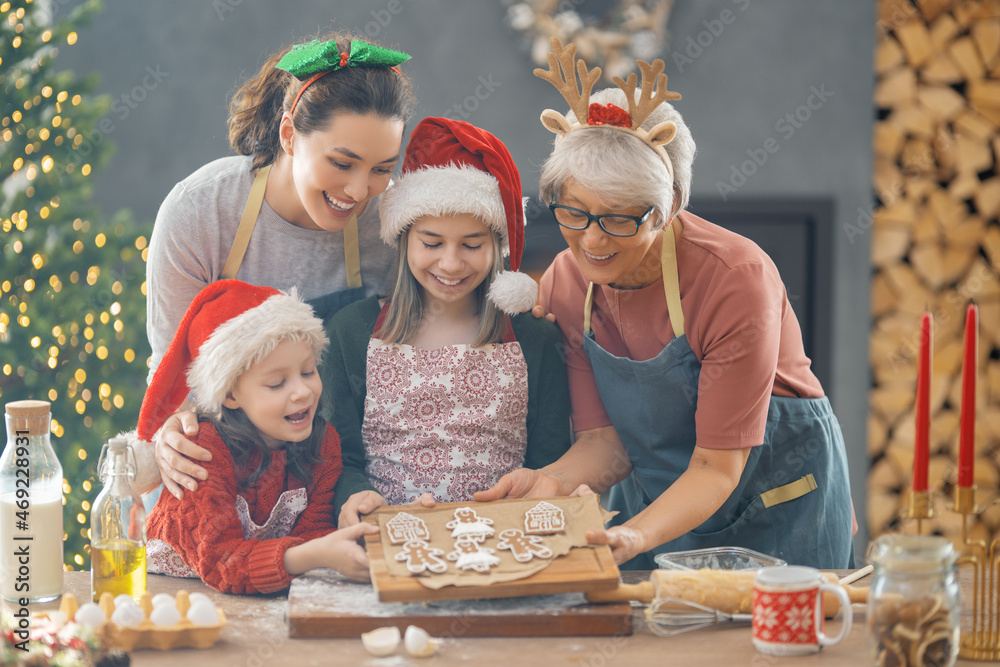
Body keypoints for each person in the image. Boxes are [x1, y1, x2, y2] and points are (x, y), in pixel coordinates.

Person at [477, 39, 855, 569]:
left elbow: (715, 469)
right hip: (657, 505)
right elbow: (607, 444)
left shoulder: (733, 280)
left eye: (619, 218)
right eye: (574, 213)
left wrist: (632, 537)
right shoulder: (565, 282)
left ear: (669, 207)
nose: (592, 241)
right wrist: (549, 482)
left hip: (774, 503)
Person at [144, 34, 417, 499]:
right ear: (289, 135)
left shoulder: (387, 220)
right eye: (342, 163)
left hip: (334, 471)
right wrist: (172, 431)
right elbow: (172, 370)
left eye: (381, 168)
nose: (358, 191)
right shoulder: (199, 212)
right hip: (219, 467)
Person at [325, 117, 572, 526]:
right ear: (404, 240)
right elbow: (339, 459)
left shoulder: (535, 338)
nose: (451, 263)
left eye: (472, 245)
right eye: (432, 243)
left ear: (497, 247)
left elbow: (552, 463)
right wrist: (354, 497)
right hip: (390, 537)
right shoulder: (352, 332)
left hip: (504, 541)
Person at [130, 280, 376, 594]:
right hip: (173, 594)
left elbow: (313, 532)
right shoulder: (202, 450)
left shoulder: (323, 443)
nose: (302, 392)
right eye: (277, 383)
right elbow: (222, 561)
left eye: (308, 371)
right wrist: (318, 555)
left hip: (258, 588)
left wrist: (339, 544)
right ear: (230, 394)